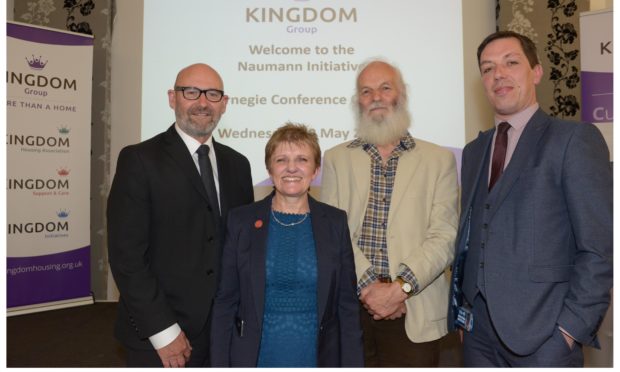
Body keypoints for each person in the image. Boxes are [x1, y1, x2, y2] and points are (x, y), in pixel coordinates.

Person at [447, 31, 613, 367]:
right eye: (488, 68)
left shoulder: (573, 140)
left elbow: (599, 247)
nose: (499, 75)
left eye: (511, 63)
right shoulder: (475, 150)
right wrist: (464, 312)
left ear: (536, 71)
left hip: (545, 339)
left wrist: (570, 329)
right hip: (477, 336)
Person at [107, 63, 254, 367]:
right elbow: (127, 258)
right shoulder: (139, 160)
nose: (202, 102)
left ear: (224, 104)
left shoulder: (238, 165)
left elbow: (240, 249)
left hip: (224, 332)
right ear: (173, 98)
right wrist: (163, 332)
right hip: (160, 336)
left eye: (212, 94)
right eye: (191, 92)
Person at [321, 59, 459, 367]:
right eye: (366, 91)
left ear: (402, 94)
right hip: (352, 309)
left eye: (385, 88)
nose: (376, 97)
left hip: (414, 311)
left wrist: (400, 289)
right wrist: (369, 288)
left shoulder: (439, 160)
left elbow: (445, 235)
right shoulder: (335, 159)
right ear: (358, 101)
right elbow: (332, 233)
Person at [210, 123, 364, 367]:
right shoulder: (241, 222)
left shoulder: (335, 222)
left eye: (302, 159)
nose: (291, 168)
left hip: (318, 358)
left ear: (315, 170)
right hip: (254, 359)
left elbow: (347, 306)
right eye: (281, 159)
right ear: (270, 169)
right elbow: (225, 302)